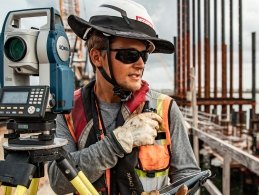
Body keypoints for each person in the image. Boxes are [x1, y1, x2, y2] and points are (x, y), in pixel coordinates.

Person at [48, 0, 200, 194]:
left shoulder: (165, 108)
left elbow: (188, 175)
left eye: (144, 56)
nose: (140, 64)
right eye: (129, 55)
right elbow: (58, 181)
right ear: (97, 57)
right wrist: (117, 143)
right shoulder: (68, 110)